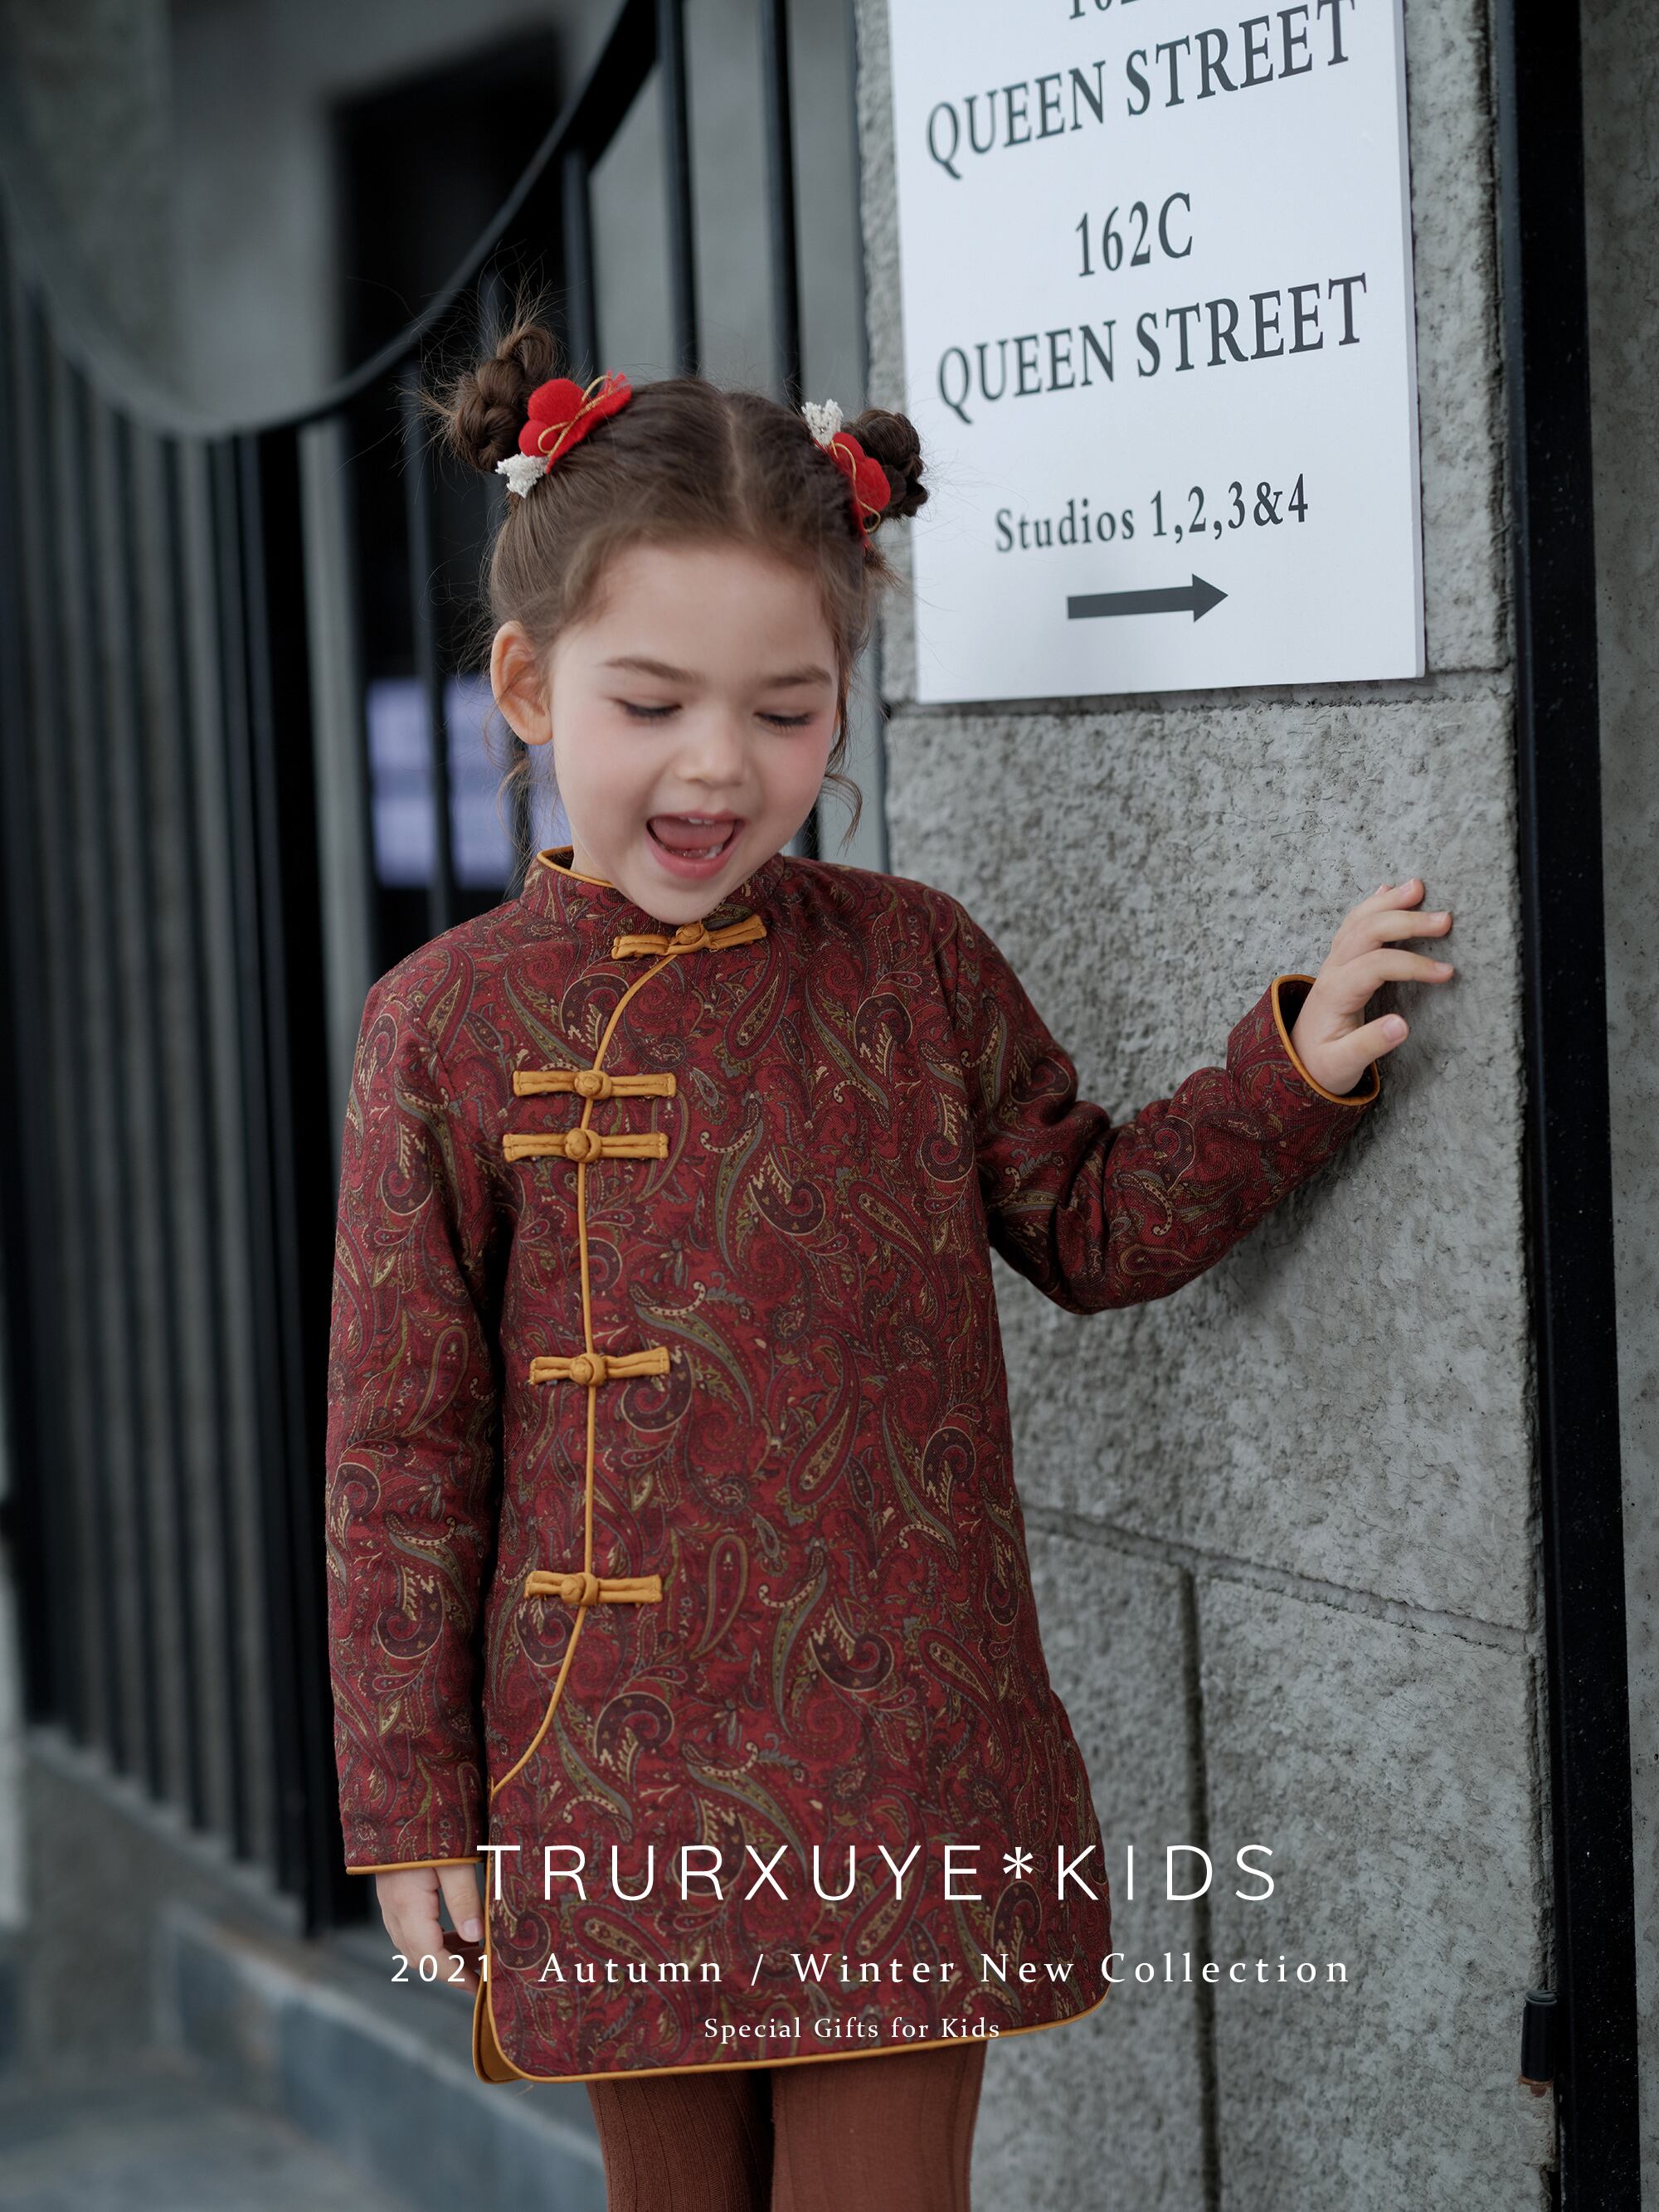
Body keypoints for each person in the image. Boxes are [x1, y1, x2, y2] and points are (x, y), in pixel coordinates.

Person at [323, 323, 1455, 2212]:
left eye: (786, 710)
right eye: (651, 701)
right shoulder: (442, 1026)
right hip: (601, 1771)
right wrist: (408, 1803)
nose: (718, 765)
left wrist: (1290, 1075)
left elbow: (1090, 1221)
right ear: (527, 684)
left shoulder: (911, 963)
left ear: (842, 703)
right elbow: (396, 1454)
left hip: (896, 1763)